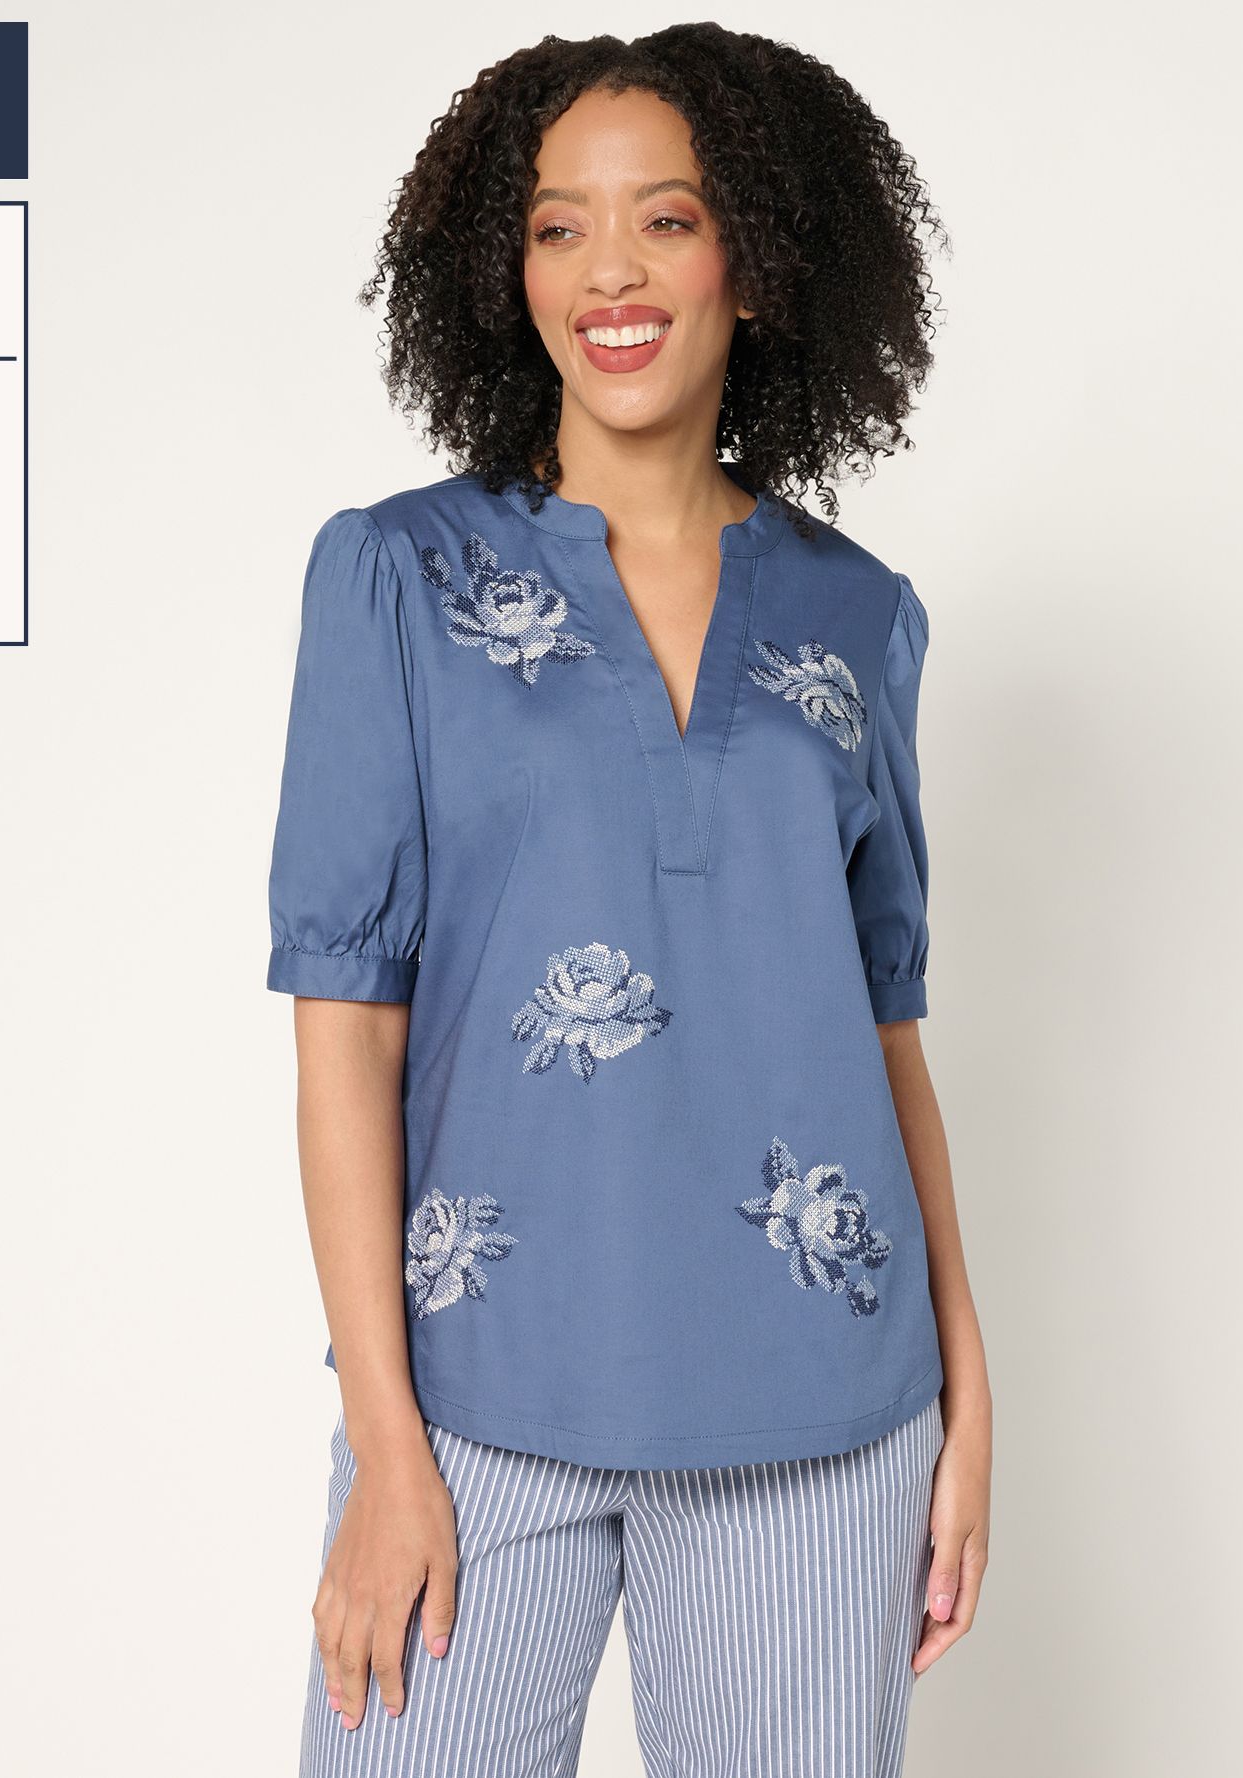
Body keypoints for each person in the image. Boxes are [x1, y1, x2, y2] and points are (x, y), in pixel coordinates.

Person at [265, 25, 993, 1777]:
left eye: (666, 219)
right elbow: (345, 1033)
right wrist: (385, 1441)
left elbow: (884, 1030)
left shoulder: (857, 613)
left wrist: (970, 1388)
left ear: (756, 252)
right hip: (476, 1403)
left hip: (820, 1418)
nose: (610, 271)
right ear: (501, 269)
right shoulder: (396, 576)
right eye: (557, 226)